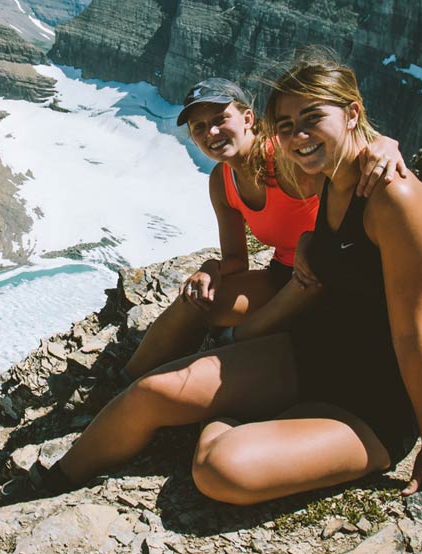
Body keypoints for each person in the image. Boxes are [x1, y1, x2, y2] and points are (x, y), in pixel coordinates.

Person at [0, 59, 422, 527]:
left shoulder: (395, 197)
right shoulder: (320, 175)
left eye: (312, 118)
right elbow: (278, 186)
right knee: (148, 394)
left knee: (219, 470)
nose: (299, 137)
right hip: (310, 353)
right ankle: (38, 488)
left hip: (373, 401)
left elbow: (414, 335)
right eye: (287, 126)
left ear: (351, 113)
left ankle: (239, 422)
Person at [120, 77, 405, 382]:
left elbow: (344, 157)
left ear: (247, 118)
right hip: (281, 278)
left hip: (329, 277)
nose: (211, 133)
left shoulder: (287, 158)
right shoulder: (222, 181)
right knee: (196, 302)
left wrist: (384, 144)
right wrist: (209, 269)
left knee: (303, 282)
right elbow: (235, 259)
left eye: (220, 119)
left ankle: (234, 341)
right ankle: (123, 380)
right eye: (199, 128)